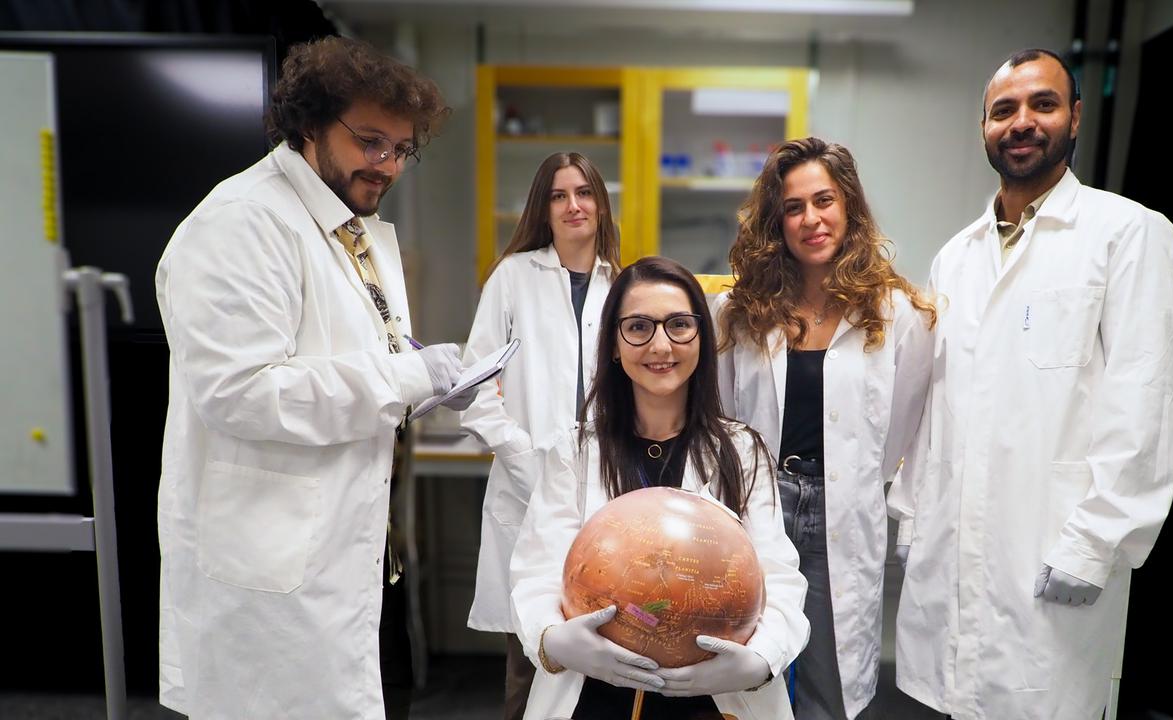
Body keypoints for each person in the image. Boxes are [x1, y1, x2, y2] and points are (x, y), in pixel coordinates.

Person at [155, 36, 472, 719]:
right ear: (307, 124)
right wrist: (409, 377)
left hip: (348, 554)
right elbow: (241, 394)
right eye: (368, 141)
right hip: (271, 580)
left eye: (401, 149)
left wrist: (428, 374)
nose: (386, 164)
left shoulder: (351, 227)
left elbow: (353, 351)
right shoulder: (242, 225)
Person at [887, 48, 1173, 720]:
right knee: (954, 700)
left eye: (1043, 105)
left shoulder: (1129, 234)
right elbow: (934, 408)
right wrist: (913, 524)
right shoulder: (956, 255)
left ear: (1075, 117)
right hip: (955, 547)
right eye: (1004, 110)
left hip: (1055, 549)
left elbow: (1150, 399)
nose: (1021, 122)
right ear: (985, 128)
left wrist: (1096, 541)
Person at [510, 256, 809, 719]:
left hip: (713, 698)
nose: (661, 345)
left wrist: (758, 661)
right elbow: (536, 573)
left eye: (679, 325)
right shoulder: (574, 452)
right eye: (638, 327)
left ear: (701, 339)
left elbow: (781, 578)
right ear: (613, 343)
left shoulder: (742, 451)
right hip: (595, 695)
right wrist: (554, 639)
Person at [715, 136, 936, 718]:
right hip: (758, 507)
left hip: (843, 514)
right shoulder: (742, 314)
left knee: (829, 685)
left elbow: (901, 431)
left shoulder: (897, 315)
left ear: (850, 208)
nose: (811, 219)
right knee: (745, 674)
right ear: (776, 221)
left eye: (825, 200)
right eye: (793, 207)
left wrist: (849, 478)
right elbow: (720, 418)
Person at [460, 151, 620, 719]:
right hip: (526, 491)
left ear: (601, 204)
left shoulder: (621, 285)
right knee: (531, 662)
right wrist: (520, 452)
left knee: (607, 659)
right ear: (543, 209)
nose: (573, 205)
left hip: (607, 494)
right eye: (558, 195)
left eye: (583, 193)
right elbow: (475, 385)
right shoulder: (513, 278)